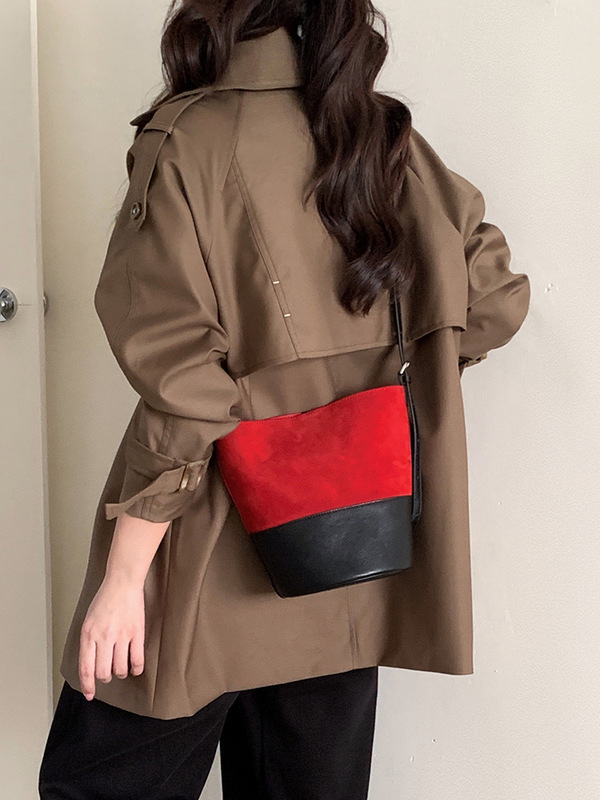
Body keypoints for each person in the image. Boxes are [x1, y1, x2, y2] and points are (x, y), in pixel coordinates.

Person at [39, 1, 531, 798]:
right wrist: (386, 378)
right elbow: (494, 301)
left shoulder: (186, 141)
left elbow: (184, 387)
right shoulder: (381, 136)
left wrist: (126, 579)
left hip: (204, 546)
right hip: (348, 544)